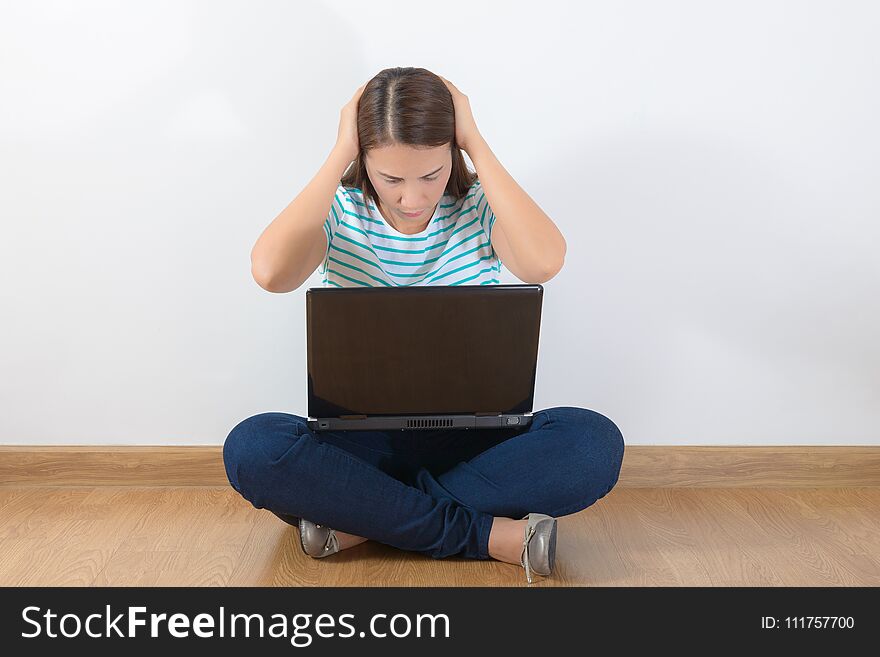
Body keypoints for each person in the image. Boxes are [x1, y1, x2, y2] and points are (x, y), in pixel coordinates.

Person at [224, 67, 625, 584]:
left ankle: (365, 522)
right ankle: (486, 536)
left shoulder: (481, 206)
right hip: (362, 444)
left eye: (430, 175)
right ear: (363, 160)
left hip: (473, 440)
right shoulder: (337, 211)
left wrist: (476, 140)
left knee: (592, 442)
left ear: (452, 155)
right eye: (391, 178)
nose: (412, 198)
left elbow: (545, 262)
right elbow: (270, 273)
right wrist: (339, 150)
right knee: (254, 447)